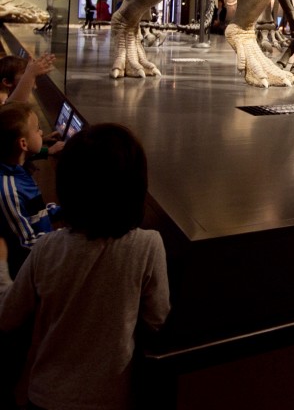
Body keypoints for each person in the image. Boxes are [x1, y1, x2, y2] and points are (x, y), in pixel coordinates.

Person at [0, 122, 170, 410]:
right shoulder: (148, 245)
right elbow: (157, 317)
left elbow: (7, 317)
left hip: (46, 396)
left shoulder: (47, 248)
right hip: (113, 397)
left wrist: (2, 265)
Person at [0, 102, 60, 278]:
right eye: (37, 129)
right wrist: (65, 238)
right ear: (23, 144)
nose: (42, 133)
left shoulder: (20, 172)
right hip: (26, 273)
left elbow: (35, 214)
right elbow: (26, 243)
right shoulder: (8, 190)